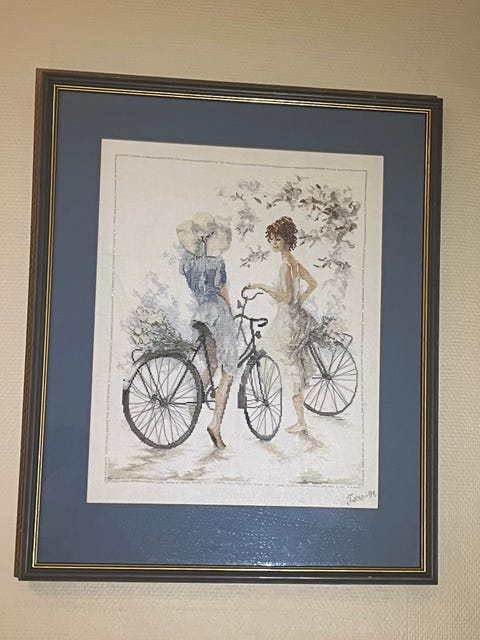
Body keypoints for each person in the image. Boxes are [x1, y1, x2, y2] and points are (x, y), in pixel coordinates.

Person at [250, 216, 317, 433]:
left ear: (287, 240)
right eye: (272, 238)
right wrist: (300, 301)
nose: (274, 242)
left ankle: (300, 421)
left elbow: (286, 297)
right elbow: (312, 283)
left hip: (287, 320)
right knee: (289, 363)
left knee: (283, 362)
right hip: (294, 316)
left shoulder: (285, 266)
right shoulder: (294, 263)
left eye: (278, 239)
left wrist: (263, 287)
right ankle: (299, 418)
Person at [176, 211, 238, 449]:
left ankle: (195, 402)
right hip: (218, 312)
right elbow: (222, 290)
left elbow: (197, 289)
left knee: (211, 364)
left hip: (201, 313)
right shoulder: (217, 261)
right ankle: (215, 425)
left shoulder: (187, 261)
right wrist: (230, 312)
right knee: (227, 371)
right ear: (211, 234)